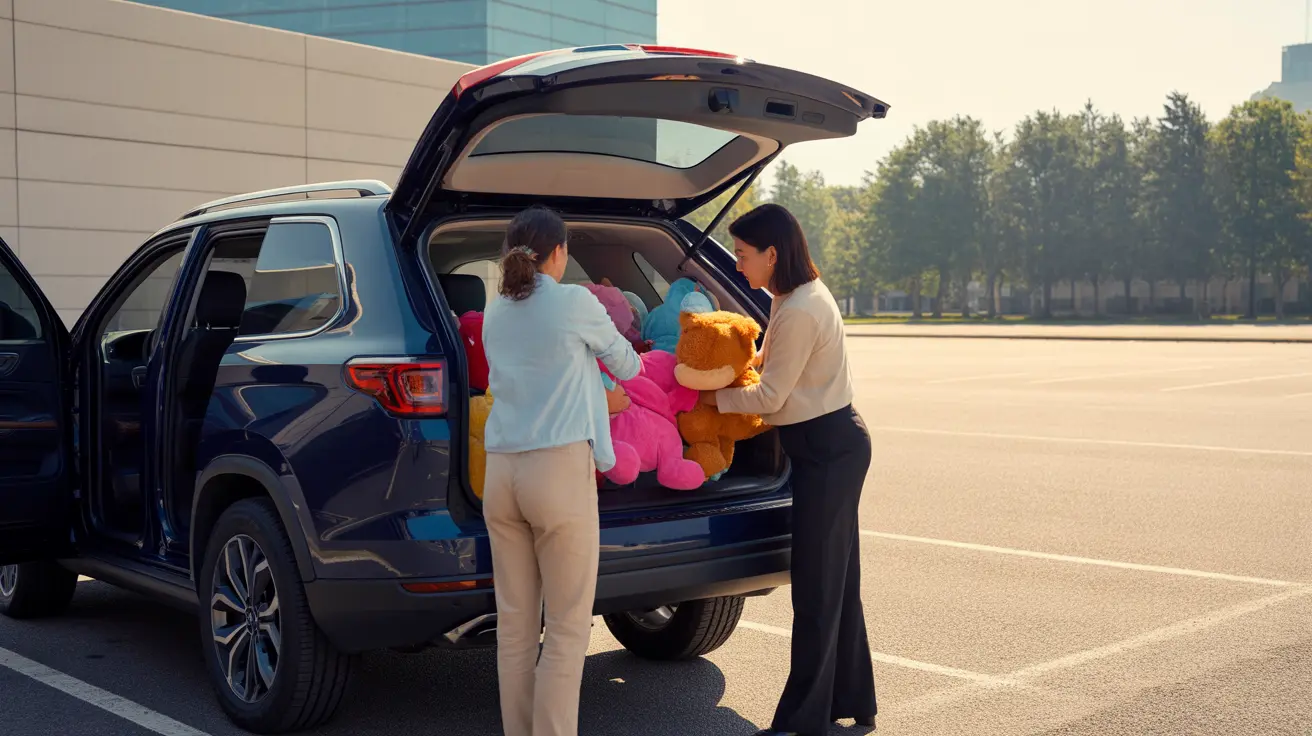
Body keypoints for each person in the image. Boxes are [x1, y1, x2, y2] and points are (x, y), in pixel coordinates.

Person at [702, 203, 877, 736]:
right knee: (838, 583)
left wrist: (711, 399)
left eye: (743, 254)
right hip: (827, 445)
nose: (737, 265)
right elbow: (768, 367)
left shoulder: (800, 307)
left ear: (772, 254)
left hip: (830, 451)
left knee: (817, 587)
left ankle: (804, 721)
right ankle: (854, 700)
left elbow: (773, 394)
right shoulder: (788, 296)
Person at [480, 206, 642, 736]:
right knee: (568, 630)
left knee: (516, 630)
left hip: (501, 475)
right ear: (558, 252)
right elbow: (630, 365)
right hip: (558, 474)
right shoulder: (576, 302)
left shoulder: (495, 310)